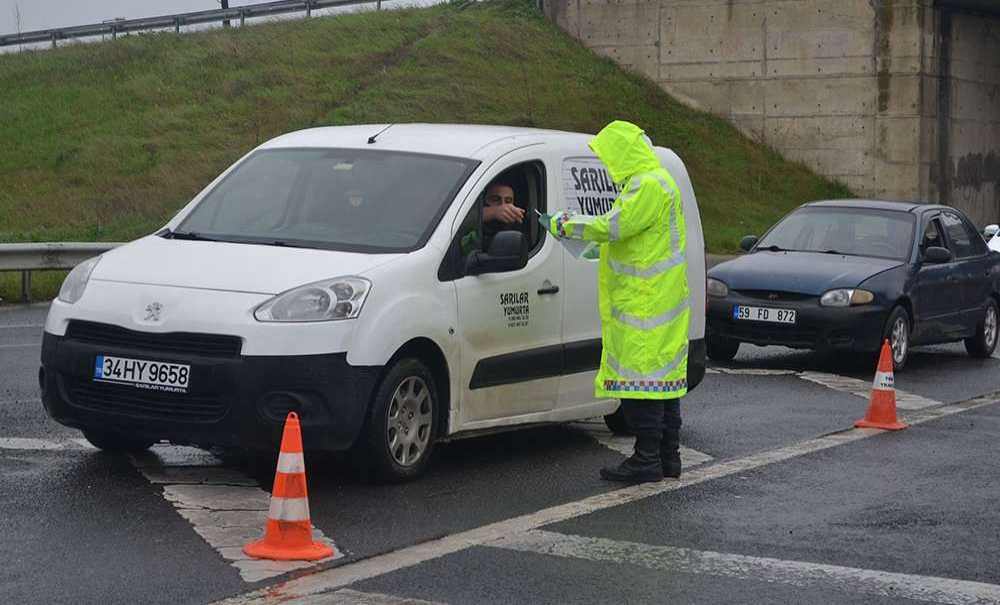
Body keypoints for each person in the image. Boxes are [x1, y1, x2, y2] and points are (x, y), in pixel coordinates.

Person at [547, 120, 689, 484]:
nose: (607, 166)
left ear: (622, 154)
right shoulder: (662, 182)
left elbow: (614, 226)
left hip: (643, 303)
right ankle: (666, 459)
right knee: (663, 384)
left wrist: (565, 225)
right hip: (662, 300)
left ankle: (646, 461)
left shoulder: (645, 186)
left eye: (609, 156)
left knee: (642, 385)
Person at [461, 182, 524, 255]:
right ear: (483, 201)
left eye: (508, 201)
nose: (503, 206)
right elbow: (458, 222)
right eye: (495, 199)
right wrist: (491, 212)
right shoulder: (473, 222)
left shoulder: (518, 226)